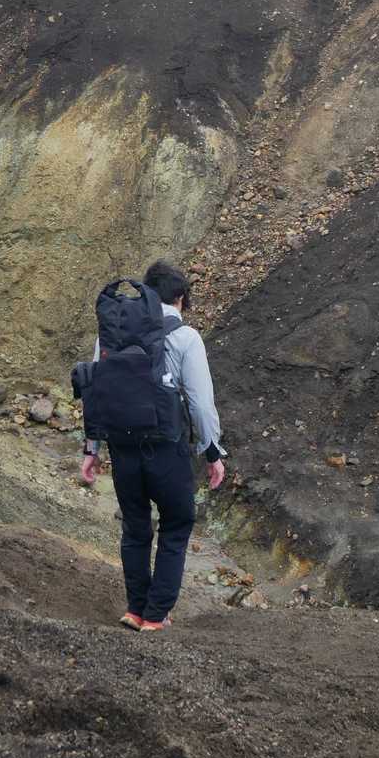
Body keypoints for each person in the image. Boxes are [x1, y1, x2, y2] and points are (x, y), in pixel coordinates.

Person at [80, 259, 225, 632]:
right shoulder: (186, 337)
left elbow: (96, 394)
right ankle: (157, 615)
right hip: (166, 449)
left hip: (122, 449)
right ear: (180, 298)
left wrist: (91, 450)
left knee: (135, 528)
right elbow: (200, 404)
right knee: (176, 524)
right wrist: (212, 452)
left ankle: (135, 609)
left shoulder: (110, 334)